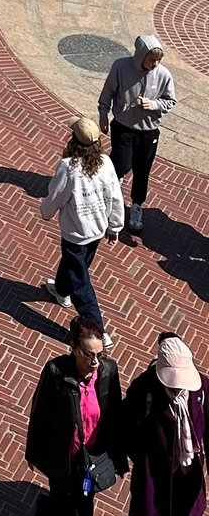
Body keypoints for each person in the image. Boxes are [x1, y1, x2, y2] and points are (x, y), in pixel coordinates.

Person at [25, 316, 126, 514]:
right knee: (61, 500)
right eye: (89, 355)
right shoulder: (56, 372)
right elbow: (40, 413)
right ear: (74, 348)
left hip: (91, 459)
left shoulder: (109, 372)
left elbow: (115, 416)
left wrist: (119, 459)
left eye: (100, 354)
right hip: (64, 457)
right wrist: (34, 453)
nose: (96, 362)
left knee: (85, 499)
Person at [40, 117, 124, 344]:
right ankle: (60, 290)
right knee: (76, 265)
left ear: (73, 141)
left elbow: (56, 195)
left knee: (80, 280)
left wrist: (45, 212)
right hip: (97, 229)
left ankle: (98, 329)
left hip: (75, 232)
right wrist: (115, 225)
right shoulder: (106, 162)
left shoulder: (68, 167)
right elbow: (115, 196)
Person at [98, 34, 176, 238]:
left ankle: (136, 207)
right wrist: (103, 114)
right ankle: (111, 202)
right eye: (151, 60)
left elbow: (170, 100)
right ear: (141, 56)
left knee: (143, 171)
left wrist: (155, 105)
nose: (155, 64)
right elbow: (108, 91)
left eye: (158, 60)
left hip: (149, 131)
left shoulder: (164, 75)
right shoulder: (120, 67)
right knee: (120, 166)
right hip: (123, 127)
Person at [123, 335, 207, 516]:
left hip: (189, 474)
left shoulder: (202, 388)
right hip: (154, 475)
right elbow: (127, 429)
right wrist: (145, 459)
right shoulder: (143, 389)